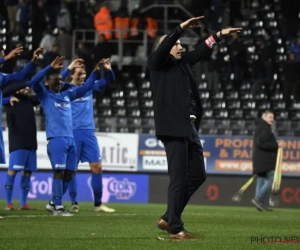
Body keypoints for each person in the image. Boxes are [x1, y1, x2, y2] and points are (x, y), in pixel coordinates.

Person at [147, 16, 242, 240]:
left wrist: (217, 36)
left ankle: (169, 217)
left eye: (180, 44)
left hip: (189, 128)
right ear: (166, 46)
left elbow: (200, 51)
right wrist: (179, 29)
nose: (180, 46)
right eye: (176, 44)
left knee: (198, 175)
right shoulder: (157, 64)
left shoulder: (182, 64)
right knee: (178, 178)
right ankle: (177, 229)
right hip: (173, 129)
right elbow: (163, 50)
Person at [31, 57, 103, 216]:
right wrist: (49, 67)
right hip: (56, 139)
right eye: (55, 80)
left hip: (71, 139)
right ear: (48, 83)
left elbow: (86, 88)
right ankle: (58, 207)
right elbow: (34, 81)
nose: (59, 82)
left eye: (60, 80)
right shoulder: (45, 96)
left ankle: (52, 203)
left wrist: (95, 72)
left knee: (70, 173)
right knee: (59, 172)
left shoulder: (67, 96)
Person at [60, 59, 115, 213]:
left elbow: (110, 81)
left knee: (97, 166)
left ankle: (98, 204)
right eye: (79, 74)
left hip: (89, 132)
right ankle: (73, 202)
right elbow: (56, 80)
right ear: (71, 75)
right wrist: (69, 66)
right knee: (72, 169)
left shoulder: (89, 87)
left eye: (84, 73)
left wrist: (109, 70)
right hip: (73, 132)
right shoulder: (66, 88)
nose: (83, 76)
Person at [1, 47, 45, 211]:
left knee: (28, 173)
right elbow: (16, 85)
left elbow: (43, 95)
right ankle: (8, 203)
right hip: (17, 142)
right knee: (13, 171)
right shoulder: (8, 98)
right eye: (24, 87)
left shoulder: (29, 101)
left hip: (31, 143)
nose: (27, 89)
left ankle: (23, 203)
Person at [0, 46, 37, 164]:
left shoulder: (2, 77)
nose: (2, 58)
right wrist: (6, 58)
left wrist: (33, 61)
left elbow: (20, 76)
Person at [251, 110, 283, 211]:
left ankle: (259, 204)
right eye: (270, 117)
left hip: (260, 160)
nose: (272, 119)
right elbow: (262, 143)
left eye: (273, 117)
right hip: (264, 160)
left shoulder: (262, 127)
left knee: (261, 179)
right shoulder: (263, 128)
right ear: (264, 117)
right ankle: (258, 198)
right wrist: (277, 145)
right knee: (273, 177)